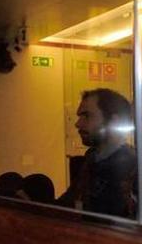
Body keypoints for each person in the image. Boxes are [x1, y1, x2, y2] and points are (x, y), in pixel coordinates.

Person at [57, 88, 135, 217]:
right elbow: (68, 203)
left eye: (86, 116)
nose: (77, 124)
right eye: (79, 116)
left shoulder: (129, 167)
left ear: (114, 121)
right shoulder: (92, 158)